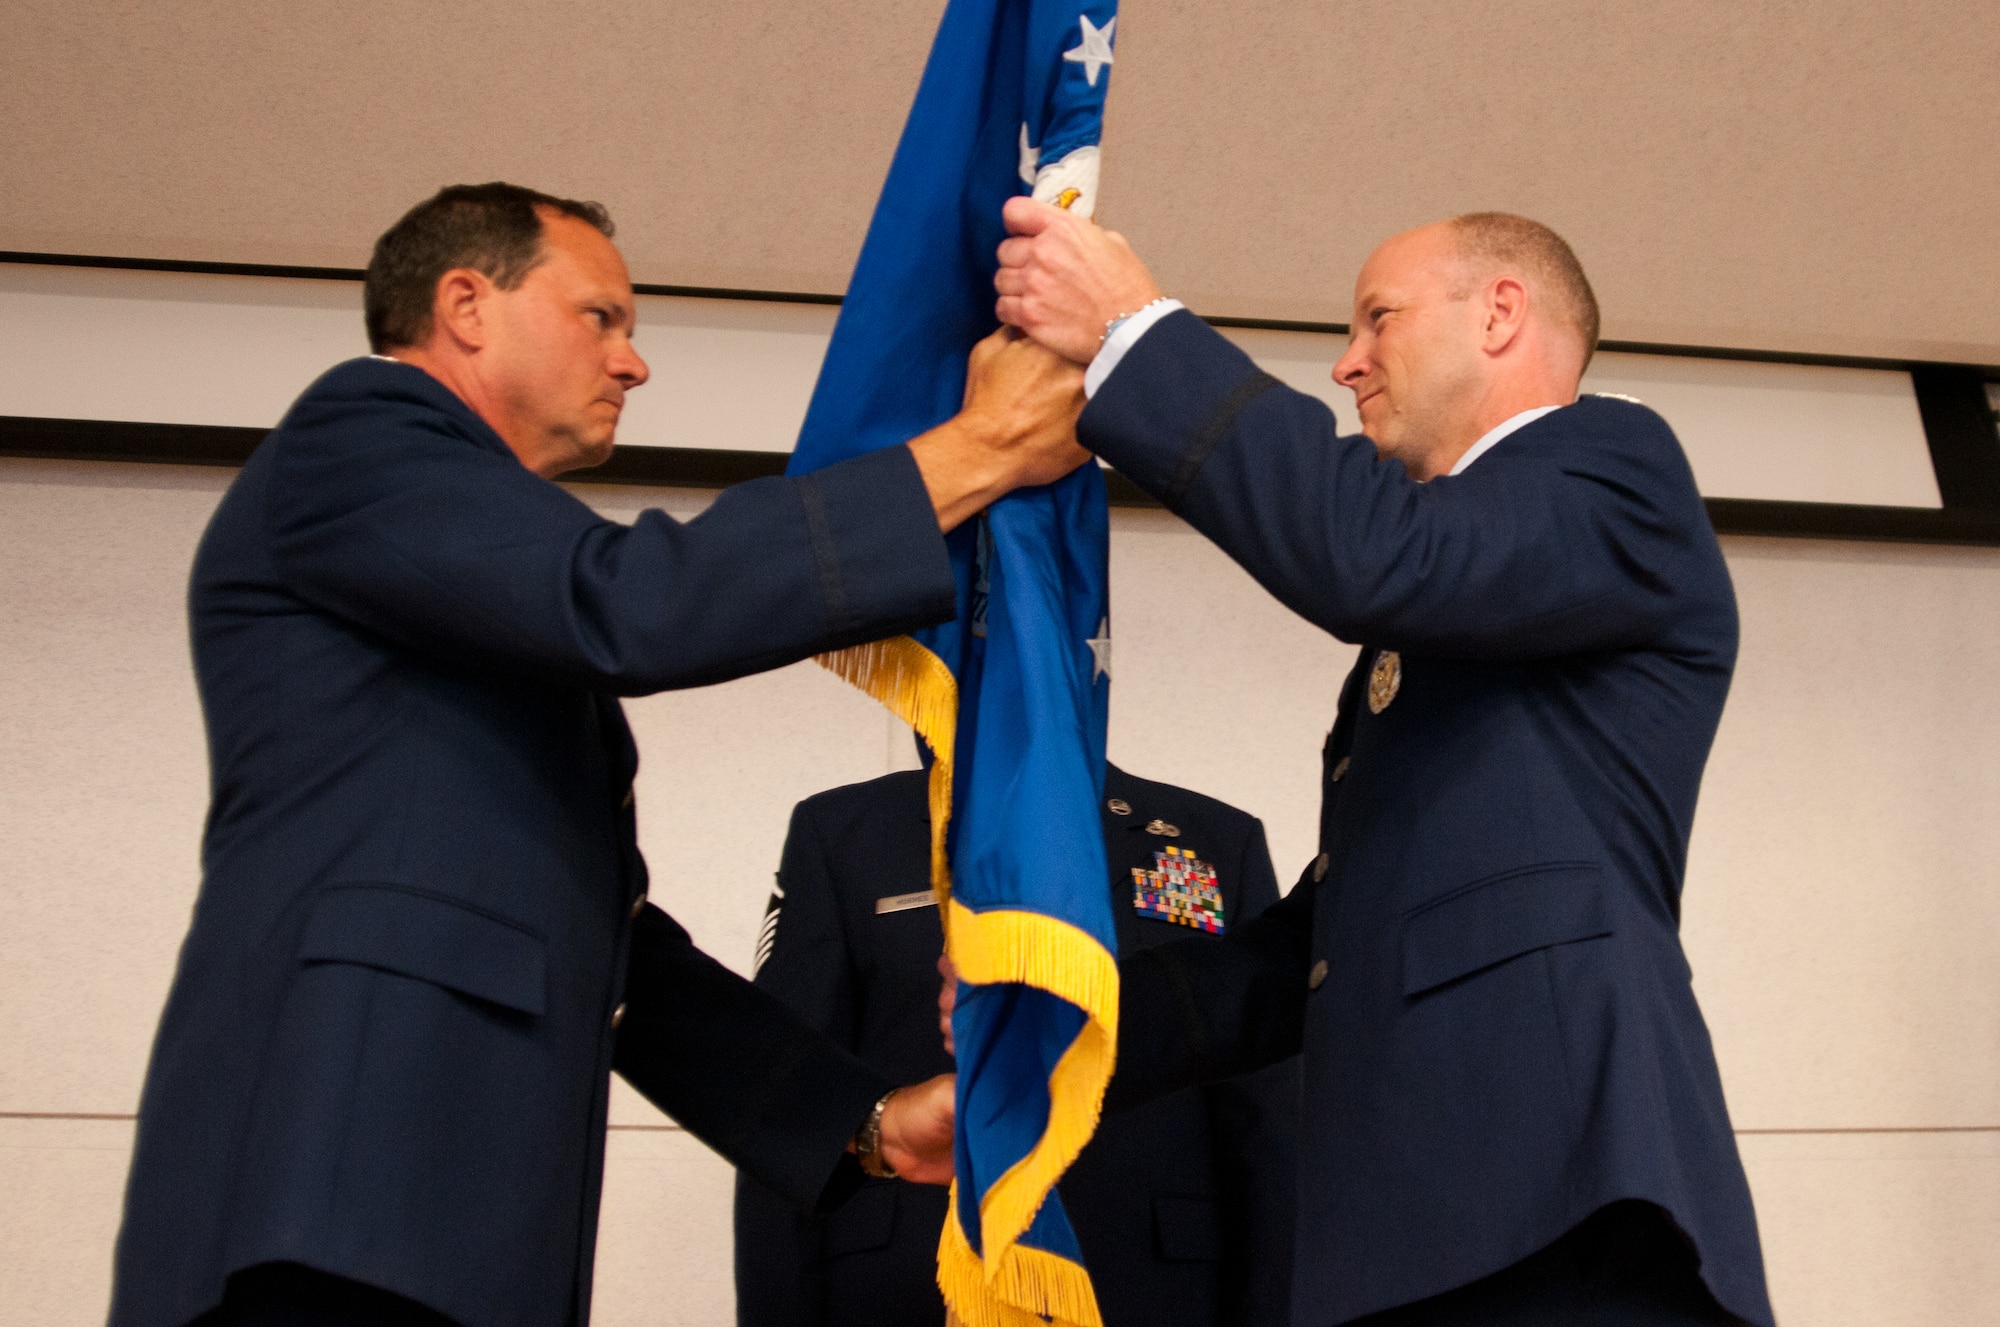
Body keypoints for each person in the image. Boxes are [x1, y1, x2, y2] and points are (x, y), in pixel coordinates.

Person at [109, 181, 1089, 1327]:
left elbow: (617, 953)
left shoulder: (466, 592)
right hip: (328, 1200)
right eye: (601, 317)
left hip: (439, 1225)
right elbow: (632, 604)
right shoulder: (358, 437)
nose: (633, 363)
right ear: (466, 305)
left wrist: (859, 1120)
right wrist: (969, 455)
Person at [984, 202, 1775, 1326]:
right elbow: (1309, 954)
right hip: (1409, 1233)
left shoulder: (1614, 467)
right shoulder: (1466, 600)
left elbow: (1370, 556)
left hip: (1560, 1203)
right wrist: (1057, 1035)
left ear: (1499, 313)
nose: (1346, 361)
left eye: (1377, 318)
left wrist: (1130, 329)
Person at [735, 762, 1298, 1327]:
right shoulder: (846, 832)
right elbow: (786, 1099)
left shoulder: (1215, 840)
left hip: (1149, 1288)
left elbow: (1267, 1128)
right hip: (904, 1289)